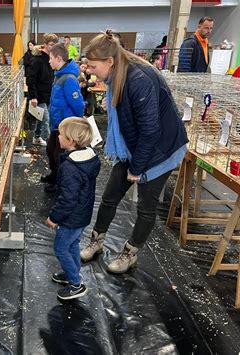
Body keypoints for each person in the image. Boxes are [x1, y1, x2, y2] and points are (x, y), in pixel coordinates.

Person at [80, 30, 188, 273]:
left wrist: (137, 169)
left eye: (93, 66)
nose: (91, 70)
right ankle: (96, 241)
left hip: (160, 150)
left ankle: (130, 253)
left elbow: (150, 130)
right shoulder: (118, 75)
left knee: (146, 206)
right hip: (135, 146)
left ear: (110, 61)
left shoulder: (138, 80)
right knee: (110, 196)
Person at [45, 117, 101, 300]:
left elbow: (68, 199)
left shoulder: (71, 167)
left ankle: (76, 284)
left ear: (71, 140)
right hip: (82, 214)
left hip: (71, 217)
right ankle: (71, 273)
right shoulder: (88, 159)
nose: (57, 136)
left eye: (60, 134)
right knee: (73, 244)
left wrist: (54, 218)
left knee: (61, 248)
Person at [43, 43, 84, 192]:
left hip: (65, 125)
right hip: (57, 124)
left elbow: (78, 105)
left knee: (58, 154)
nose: (49, 61)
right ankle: (54, 176)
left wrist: (75, 124)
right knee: (50, 150)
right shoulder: (59, 76)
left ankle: (60, 184)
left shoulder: (69, 79)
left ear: (59, 58)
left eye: (51, 58)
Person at [26, 33, 59, 147]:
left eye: (56, 45)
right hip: (39, 95)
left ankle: (36, 137)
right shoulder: (37, 59)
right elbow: (31, 79)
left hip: (48, 94)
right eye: (51, 44)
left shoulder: (51, 59)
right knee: (46, 120)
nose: (54, 47)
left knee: (41, 117)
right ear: (44, 44)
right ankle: (52, 144)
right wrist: (33, 96)